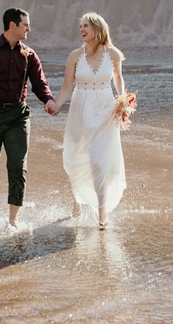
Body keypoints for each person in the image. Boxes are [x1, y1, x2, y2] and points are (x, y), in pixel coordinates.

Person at [0, 7, 58, 228]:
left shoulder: (29, 54)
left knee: (18, 165)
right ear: (12, 25)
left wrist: (49, 101)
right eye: (26, 25)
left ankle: (13, 219)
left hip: (18, 115)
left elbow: (40, 84)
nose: (29, 29)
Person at [53, 12, 127, 229]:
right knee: (77, 155)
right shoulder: (75, 56)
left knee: (99, 160)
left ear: (98, 29)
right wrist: (55, 105)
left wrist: (122, 101)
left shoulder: (113, 54)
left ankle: (102, 213)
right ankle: (77, 198)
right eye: (81, 26)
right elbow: (67, 87)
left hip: (105, 109)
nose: (82, 30)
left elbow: (118, 79)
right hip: (80, 108)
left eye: (86, 26)